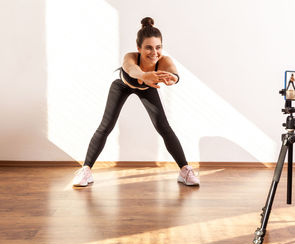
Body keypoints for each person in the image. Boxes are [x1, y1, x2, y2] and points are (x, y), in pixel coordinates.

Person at [72, 17, 199, 187]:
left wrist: (172, 79)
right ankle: (86, 170)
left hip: (148, 88)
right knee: (106, 126)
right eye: (148, 47)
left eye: (158, 47)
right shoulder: (130, 57)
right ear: (138, 48)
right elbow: (132, 70)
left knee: (163, 127)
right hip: (121, 87)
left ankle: (185, 170)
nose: (154, 52)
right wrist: (145, 76)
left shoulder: (164, 61)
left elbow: (174, 74)